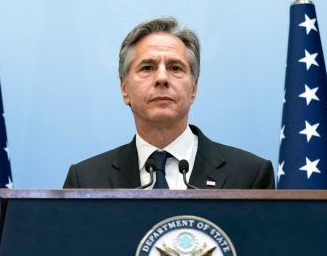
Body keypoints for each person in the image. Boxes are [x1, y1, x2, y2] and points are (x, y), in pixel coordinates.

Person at [63, 16, 274, 189]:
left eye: (175, 68)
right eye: (147, 68)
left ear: (193, 88)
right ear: (124, 88)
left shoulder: (250, 176)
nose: (162, 78)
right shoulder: (85, 181)